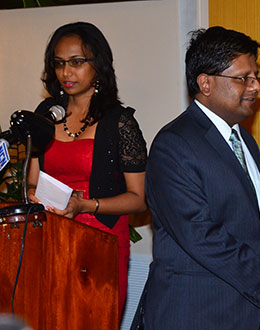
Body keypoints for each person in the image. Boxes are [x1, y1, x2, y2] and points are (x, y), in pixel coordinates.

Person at [134, 26, 260, 330]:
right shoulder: (175, 144)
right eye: (242, 79)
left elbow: (242, 219)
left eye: (256, 78)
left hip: (247, 311)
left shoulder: (244, 141)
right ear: (205, 83)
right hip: (196, 312)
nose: (254, 87)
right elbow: (201, 235)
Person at [27, 22, 148, 315]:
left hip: (100, 243)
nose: (66, 72)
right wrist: (34, 195)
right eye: (59, 64)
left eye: (77, 62)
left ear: (98, 64)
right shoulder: (45, 116)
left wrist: (85, 205)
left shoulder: (120, 123)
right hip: (50, 239)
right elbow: (31, 183)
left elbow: (139, 199)